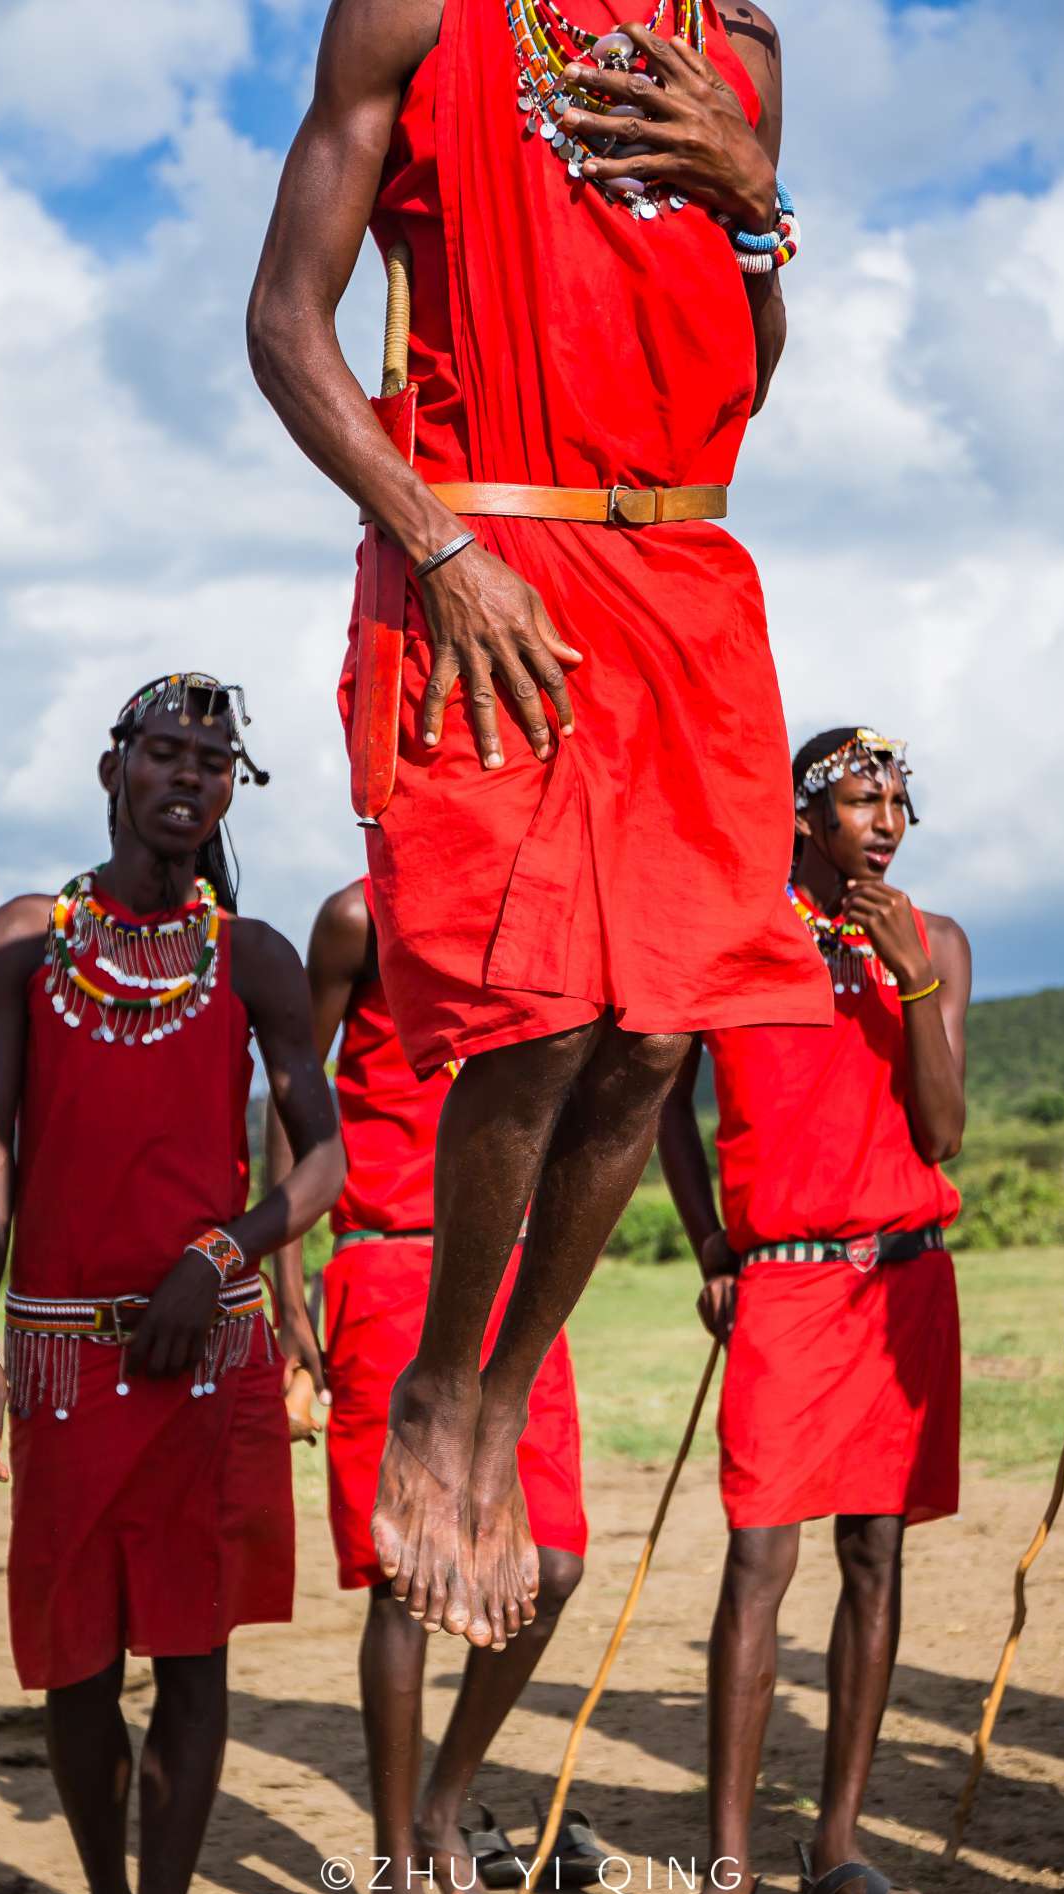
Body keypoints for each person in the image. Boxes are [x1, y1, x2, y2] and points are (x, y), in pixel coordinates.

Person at [248, 0, 830, 1646]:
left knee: (658, 1034)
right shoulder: (418, 13)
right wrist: (439, 546)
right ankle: (439, 1389)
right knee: (548, 1001)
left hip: (689, 573)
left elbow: (747, 373)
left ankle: (499, 1396)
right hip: (486, 555)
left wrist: (758, 206)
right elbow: (284, 325)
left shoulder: (741, 43)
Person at [0, 674, 344, 1894]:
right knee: (75, 1665)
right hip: (62, 1362)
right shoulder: (25, 940)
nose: (189, 776)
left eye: (213, 761)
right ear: (113, 772)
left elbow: (323, 1159)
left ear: (233, 790)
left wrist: (221, 1256)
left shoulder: (257, 959)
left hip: (205, 1359)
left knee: (191, 1651)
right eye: (165, 753)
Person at [655, 727, 969, 1894]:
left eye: (898, 800)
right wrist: (710, 1246)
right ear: (802, 814)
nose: (885, 820)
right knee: (758, 1560)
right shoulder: (736, 931)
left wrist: (918, 985)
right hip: (782, 1282)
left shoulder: (934, 941)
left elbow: (942, 1136)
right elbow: (665, 1108)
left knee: (875, 1555)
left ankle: (833, 1843)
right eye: (859, 798)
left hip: (903, 1283)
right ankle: (728, 1871)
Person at [271, 876, 594, 1894]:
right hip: (386, 1262)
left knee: (552, 1563)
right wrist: (287, 1294)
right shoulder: (359, 920)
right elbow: (286, 1095)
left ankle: (441, 1806)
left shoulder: (560, 908)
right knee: (404, 1575)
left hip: (512, 1276)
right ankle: (394, 1875)